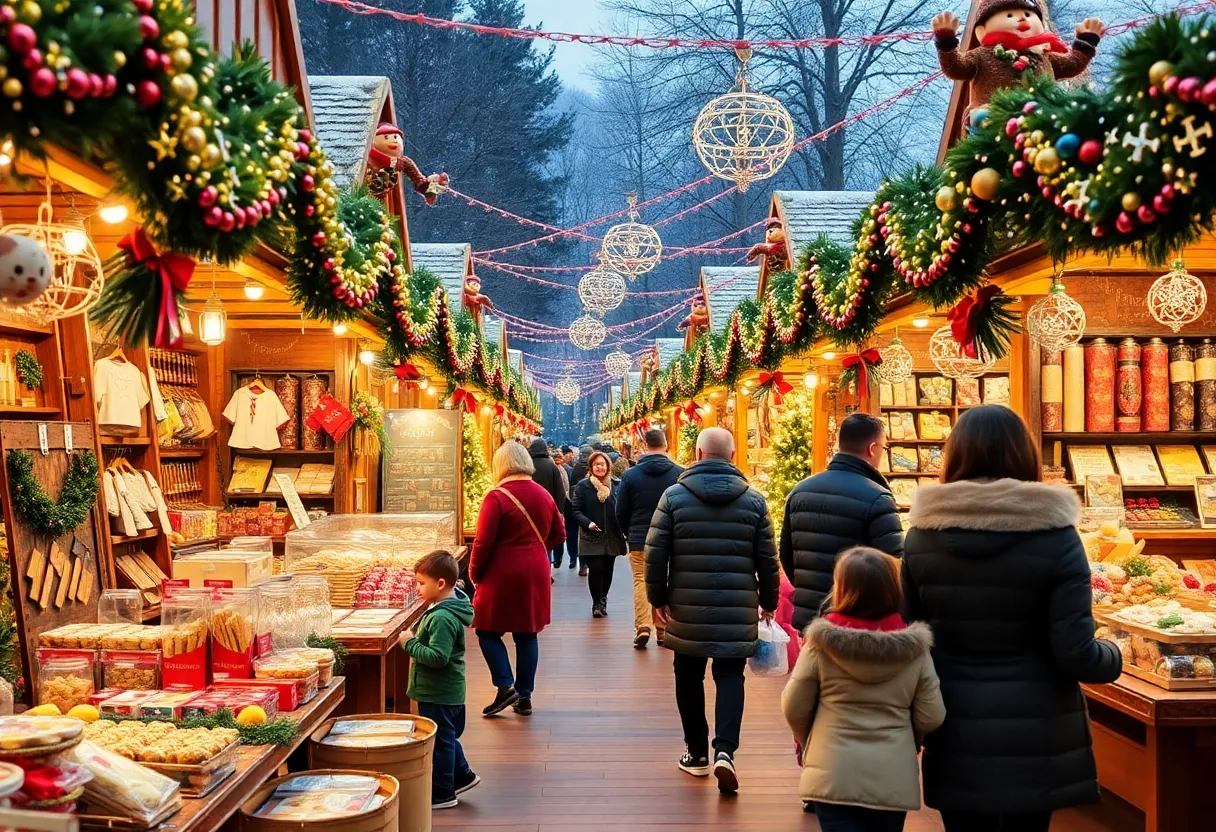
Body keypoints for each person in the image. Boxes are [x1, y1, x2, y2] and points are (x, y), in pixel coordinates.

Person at [902, 405, 1121, 832]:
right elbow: (1076, 654)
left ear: (955, 456)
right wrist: (1115, 655)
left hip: (954, 722)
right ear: (1025, 455)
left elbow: (911, 641)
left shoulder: (922, 538)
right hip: (1038, 730)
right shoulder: (1058, 537)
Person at [645, 427, 779, 794]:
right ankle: (726, 751)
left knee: (687, 675)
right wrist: (769, 601)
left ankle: (697, 752)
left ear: (698, 453)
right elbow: (768, 559)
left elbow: (656, 554)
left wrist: (657, 599)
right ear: (733, 457)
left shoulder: (673, 497)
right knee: (730, 676)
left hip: (686, 606)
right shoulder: (753, 501)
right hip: (737, 606)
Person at [782, 547, 945, 831]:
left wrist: (809, 740)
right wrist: (910, 738)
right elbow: (932, 714)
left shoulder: (821, 644)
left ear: (842, 589)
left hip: (833, 771)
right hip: (892, 776)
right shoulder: (915, 650)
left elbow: (794, 705)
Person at [780, 412, 904, 630]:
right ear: (872, 448)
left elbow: (787, 557)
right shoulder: (878, 498)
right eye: (884, 449)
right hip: (855, 620)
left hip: (810, 619)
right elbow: (894, 566)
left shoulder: (800, 491)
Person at [469, 442, 565, 717]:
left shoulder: (496, 497)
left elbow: (483, 543)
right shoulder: (543, 494)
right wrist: (536, 549)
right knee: (527, 633)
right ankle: (524, 696)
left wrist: (475, 572)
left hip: (502, 571)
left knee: (487, 630)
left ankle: (504, 685)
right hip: (536, 569)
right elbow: (560, 535)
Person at [397, 550, 478, 809]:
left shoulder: (442, 617)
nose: (417, 588)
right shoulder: (445, 608)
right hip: (446, 690)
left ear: (440, 584)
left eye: (421, 583)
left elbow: (437, 657)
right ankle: (462, 775)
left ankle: (443, 793)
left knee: (441, 742)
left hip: (437, 692)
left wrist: (409, 643)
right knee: (447, 736)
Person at [615, 427, 682, 648]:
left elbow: (621, 510)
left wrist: (628, 532)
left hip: (640, 537)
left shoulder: (631, 475)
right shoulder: (679, 473)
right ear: (666, 444)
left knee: (641, 580)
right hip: (671, 538)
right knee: (668, 580)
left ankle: (643, 626)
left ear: (644, 446)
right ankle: (663, 629)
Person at [572, 451, 626, 618]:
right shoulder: (583, 486)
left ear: (608, 466)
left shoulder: (616, 485)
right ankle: (596, 602)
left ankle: (603, 598)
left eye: (602, 464)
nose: (600, 467)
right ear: (591, 467)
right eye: (596, 464)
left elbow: (624, 507)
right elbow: (576, 509)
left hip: (612, 534)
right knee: (596, 568)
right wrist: (587, 522)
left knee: (608, 568)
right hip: (591, 534)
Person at [527, 439, 566, 569]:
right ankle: (546, 570)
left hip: (528, 510)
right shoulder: (552, 466)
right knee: (546, 541)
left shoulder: (527, 465)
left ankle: (533, 568)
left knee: (531, 541)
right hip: (548, 511)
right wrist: (559, 511)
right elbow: (560, 491)